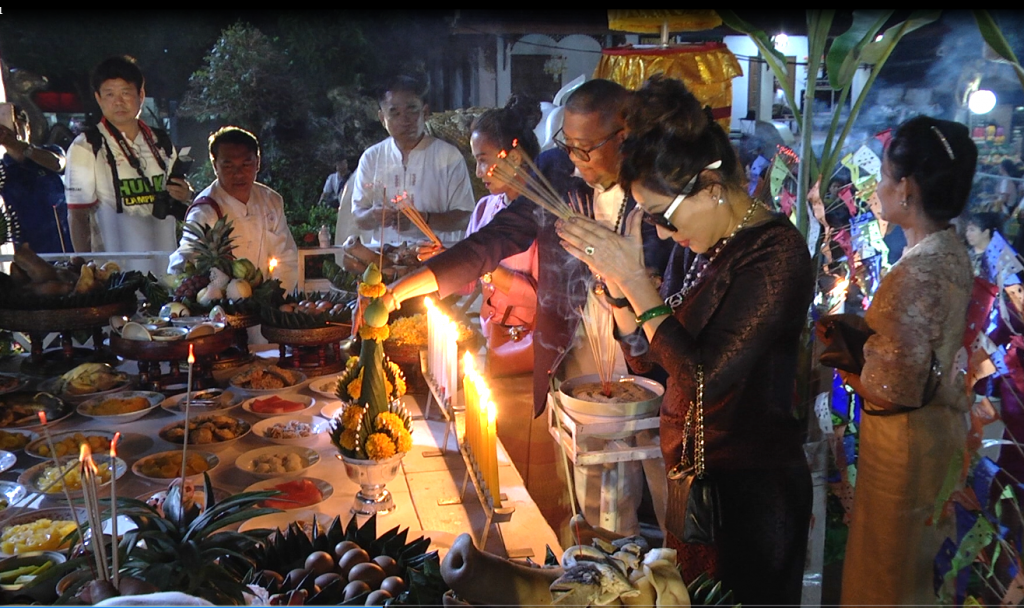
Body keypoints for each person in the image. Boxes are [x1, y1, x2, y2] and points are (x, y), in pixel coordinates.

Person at [556, 76, 813, 605]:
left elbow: (702, 377)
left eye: (664, 219)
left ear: (713, 187)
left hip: (749, 495)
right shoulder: (703, 245)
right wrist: (626, 307)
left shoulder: (776, 253)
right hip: (691, 483)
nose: (666, 236)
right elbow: (658, 359)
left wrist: (638, 283)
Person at [385, 79, 674, 540]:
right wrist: (405, 288)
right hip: (578, 343)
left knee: (662, 470)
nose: (576, 160)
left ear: (625, 136)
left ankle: (681, 572)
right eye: (569, 145)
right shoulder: (557, 172)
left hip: (653, 349)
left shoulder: (660, 181)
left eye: (588, 148)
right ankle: (611, 568)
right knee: (596, 477)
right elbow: (495, 238)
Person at [836, 116, 976, 606]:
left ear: (908, 187)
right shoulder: (946, 249)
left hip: (905, 444)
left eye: (885, 176)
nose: (878, 186)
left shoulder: (919, 274)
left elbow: (895, 388)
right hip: (932, 430)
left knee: (889, 571)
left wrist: (844, 358)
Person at [65, 55, 193, 276]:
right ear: (98, 98)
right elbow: (77, 215)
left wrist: (186, 195)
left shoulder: (160, 141)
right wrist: (86, 268)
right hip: (116, 277)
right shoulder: (87, 146)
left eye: (126, 93)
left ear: (141, 95)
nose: (118, 102)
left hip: (167, 272)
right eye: (109, 94)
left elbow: (178, 198)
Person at [167, 126, 299, 292]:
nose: (238, 174)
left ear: (257, 163)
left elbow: (287, 258)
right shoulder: (204, 210)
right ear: (215, 166)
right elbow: (184, 258)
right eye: (228, 166)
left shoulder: (271, 200)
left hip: (267, 304)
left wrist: (276, 297)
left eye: (246, 164)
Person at [351, 75, 474, 246]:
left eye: (412, 110)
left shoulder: (448, 156)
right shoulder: (372, 158)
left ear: (425, 112)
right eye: (395, 113)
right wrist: (374, 216)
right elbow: (358, 217)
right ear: (382, 118)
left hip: (437, 256)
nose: (405, 120)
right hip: (385, 257)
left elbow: (466, 218)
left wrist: (424, 219)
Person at [465, 96, 541, 370]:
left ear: (516, 157)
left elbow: (541, 298)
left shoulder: (542, 216)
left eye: (483, 161)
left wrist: (490, 269)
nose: (478, 172)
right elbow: (466, 283)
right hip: (491, 338)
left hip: (532, 347)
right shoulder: (485, 208)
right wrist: (442, 256)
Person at [0, 107, 72, 253]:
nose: (12, 131)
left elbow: (58, 163)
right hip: (26, 251)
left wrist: (20, 146)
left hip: (63, 244)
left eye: (16, 125)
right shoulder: (3, 171)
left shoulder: (50, 151)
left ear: (27, 127)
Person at [965, 211, 1002, 277]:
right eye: (967, 230)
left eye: (972, 230)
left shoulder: (997, 258)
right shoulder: (965, 253)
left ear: (985, 233)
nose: (967, 234)